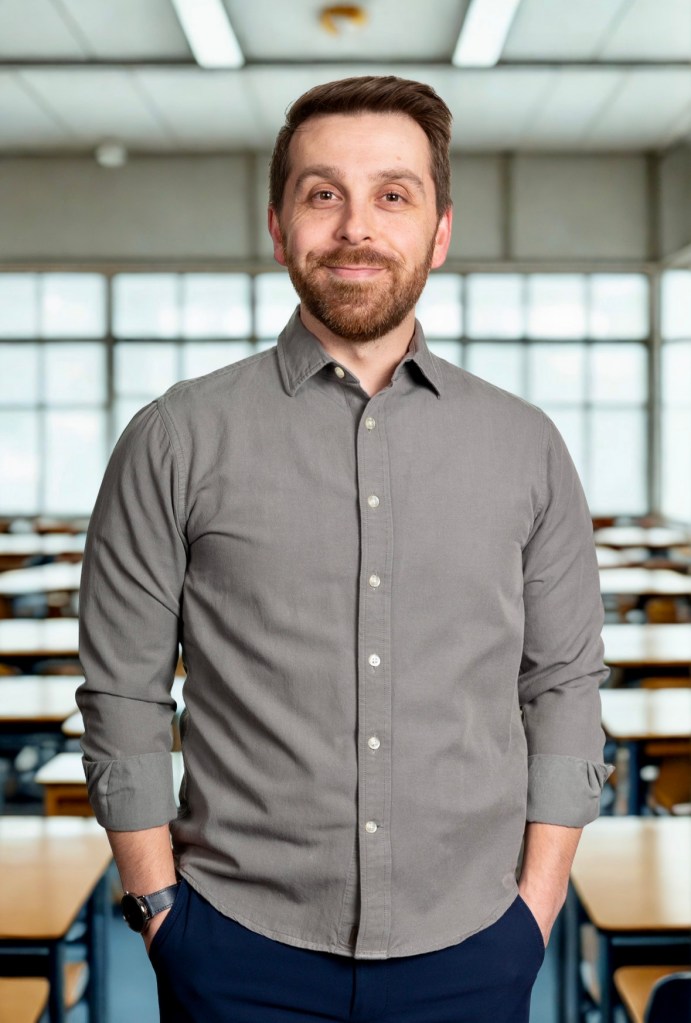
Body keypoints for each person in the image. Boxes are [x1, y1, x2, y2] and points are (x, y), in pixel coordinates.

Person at [77, 75, 613, 1023]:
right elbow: (123, 690)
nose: (355, 226)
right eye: (323, 193)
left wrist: (532, 910)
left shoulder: (525, 445)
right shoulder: (173, 438)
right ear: (280, 227)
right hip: (233, 944)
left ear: (439, 230)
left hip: (475, 940)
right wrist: (160, 909)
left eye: (392, 195)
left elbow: (563, 682)